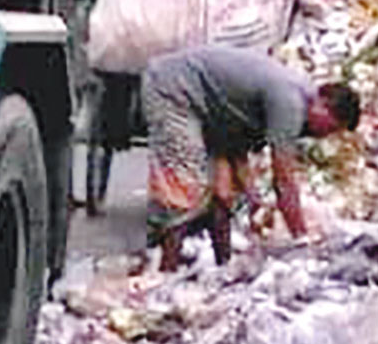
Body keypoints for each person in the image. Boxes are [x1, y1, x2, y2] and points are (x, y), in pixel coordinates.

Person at [142, 45, 360, 271]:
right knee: (185, 186)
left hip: (212, 112)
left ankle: (222, 268)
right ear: (322, 105)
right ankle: (166, 275)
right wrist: (301, 240)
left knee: (224, 195)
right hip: (175, 89)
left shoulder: (298, 95)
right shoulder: (290, 104)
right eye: (331, 128)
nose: (326, 135)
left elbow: (237, 147)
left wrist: (252, 195)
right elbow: (284, 180)